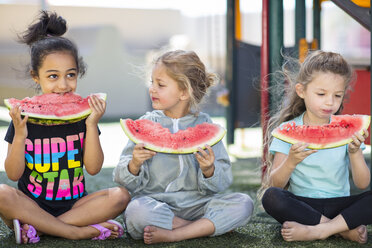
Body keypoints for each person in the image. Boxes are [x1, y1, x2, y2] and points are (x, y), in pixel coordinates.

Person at [0, 11, 130, 244]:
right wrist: (20, 135)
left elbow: (93, 168)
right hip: (32, 204)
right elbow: (12, 174)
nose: (63, 84)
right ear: (36, 76)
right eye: (52, 76)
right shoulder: (23, 116)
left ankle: (40, 229)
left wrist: (91, 124)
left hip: (76, 205)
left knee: (120, 196)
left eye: (70, 75)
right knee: (1, 193)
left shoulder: (83, 116)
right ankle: (75, 230)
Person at [113, 50, 253, 244]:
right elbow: (123, 179)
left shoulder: (206, 125)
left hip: (199, 204)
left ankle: (177, 232)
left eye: (160, 85)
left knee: (244, 204)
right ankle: (201, 227)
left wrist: (209, 170)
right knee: (136, 212)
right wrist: (134, 164)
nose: (152, 89)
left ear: (184, 92)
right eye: (152, 82)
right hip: (157, 204)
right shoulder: (145, 124)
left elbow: (224, 181)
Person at [260, 50, 371, 243]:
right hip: (303, 205)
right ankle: (342, 230)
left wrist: (354, 153)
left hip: (340, 205)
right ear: (301, 91)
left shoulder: (347, 131)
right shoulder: (287, 130)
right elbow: (275, 183)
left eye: (337, 95)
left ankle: (319, 231)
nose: (330, 102)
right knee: (271, 197)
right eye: (321, 94)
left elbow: (362, 184)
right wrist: (291, 162)